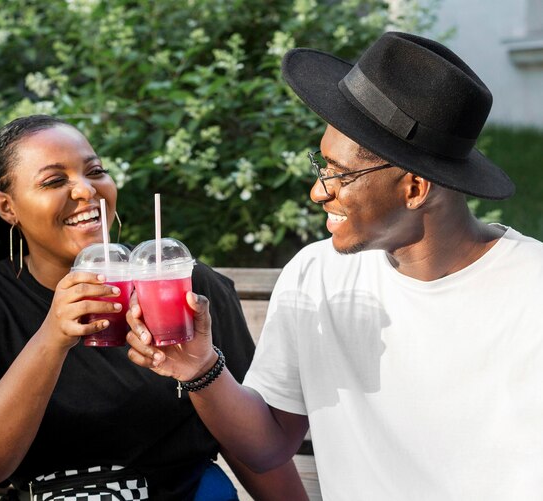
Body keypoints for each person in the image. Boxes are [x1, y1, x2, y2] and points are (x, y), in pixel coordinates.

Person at [125, 31, 543, 500]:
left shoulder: (532, 291)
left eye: (340, 174)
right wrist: (199, 367)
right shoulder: (315, 275)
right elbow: (267, 449)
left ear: (415, 189)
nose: (318, 190)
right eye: (320, 166)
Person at [0, 115, 308, 500]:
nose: (85, 191)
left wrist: (201, 372)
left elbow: (254, 448)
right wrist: (52, 339)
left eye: (95, 171)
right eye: (56, 181)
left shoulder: (181, 287)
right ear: (7, 207)